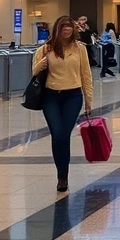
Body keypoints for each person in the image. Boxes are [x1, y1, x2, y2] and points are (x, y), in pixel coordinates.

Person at [31, 16, 94, 192]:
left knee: (64, 135)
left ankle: (63, 176)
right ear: (57, 29)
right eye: (63, 27)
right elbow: (34, 72)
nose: (66, 30)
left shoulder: (80, 48)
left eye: (69, 28)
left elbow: (86, 75)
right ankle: (62, 175)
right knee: (57, 134)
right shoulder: (45, 49)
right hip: (50, 97)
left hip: (72, 96)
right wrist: (43, 62)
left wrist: (88, 98)